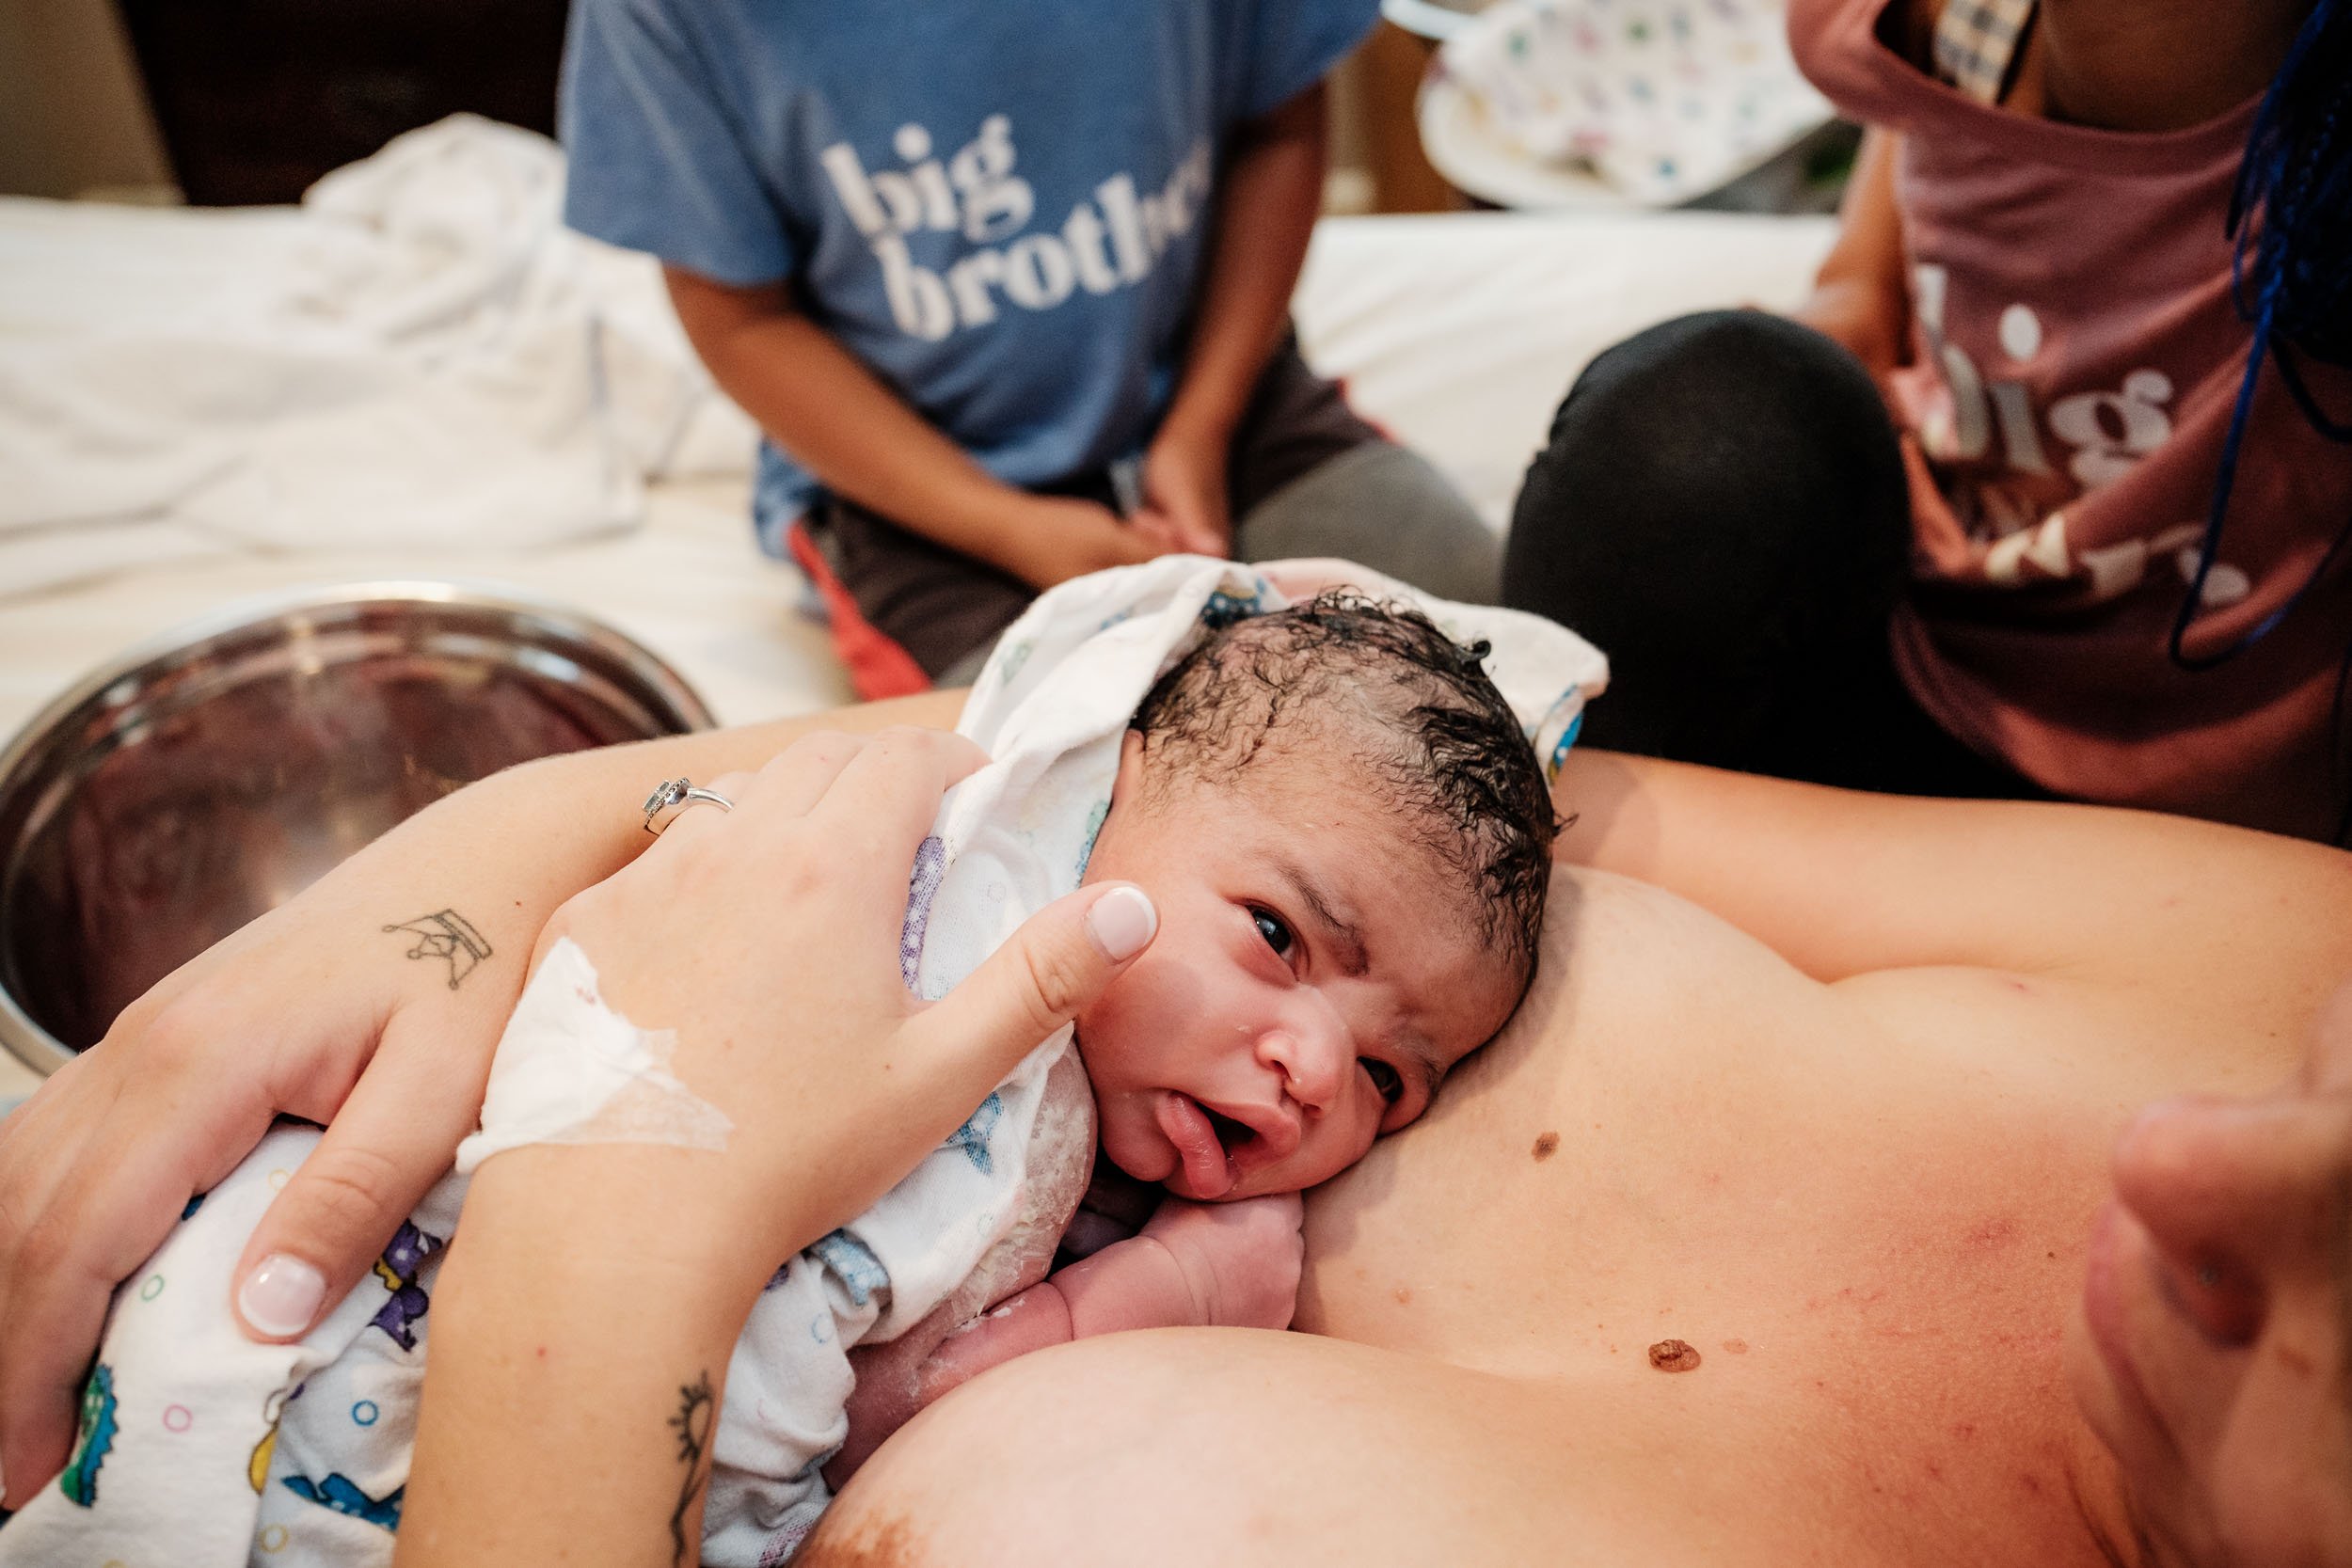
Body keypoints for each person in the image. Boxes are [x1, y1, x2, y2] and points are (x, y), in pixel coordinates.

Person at [2, 673, 2351, 1560]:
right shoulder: (2286, 973)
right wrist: (486, 863)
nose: (2191, 1155)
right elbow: (1281, 740)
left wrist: (615, 1234)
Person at [0, 576, 1574, 1565]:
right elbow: (915, 1392)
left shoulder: (1104, 1122)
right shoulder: (952, 928)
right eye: (1282, 936)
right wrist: (1177, 1292)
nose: (1315, 1070)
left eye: (1396, 1076)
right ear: (1101, 796)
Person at [1501, 0, 2352, 840]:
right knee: (1691, 434)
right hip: (1918, 648)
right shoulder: (1966, 28)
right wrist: (1856, 297)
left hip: (2215, 813)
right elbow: (1876, 235)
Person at [562, 0, 1500, 697]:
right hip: (920, 496)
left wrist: (1201, 424)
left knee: (1485, 644)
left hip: (1222, 389)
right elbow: (741, 320)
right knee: (1063, 781)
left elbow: (1278, 127)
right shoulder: (670, 18)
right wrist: (1007, 525)